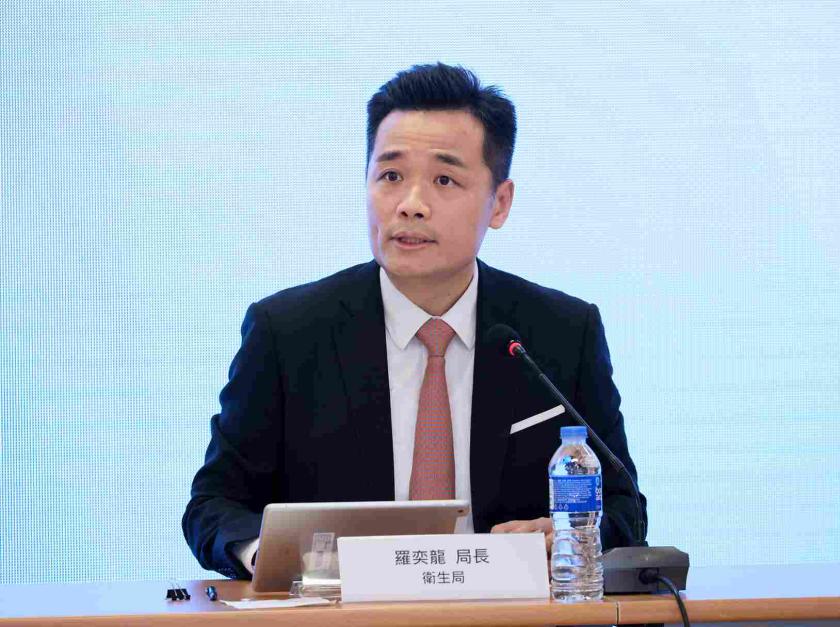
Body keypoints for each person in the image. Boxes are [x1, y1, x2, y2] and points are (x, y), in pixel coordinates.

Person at [183, 63, 647, 579]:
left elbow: (625, 508)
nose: (411, 205)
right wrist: (270, 557)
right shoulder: (288, 333)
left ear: (500, 203)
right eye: (391, 176)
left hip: (509, 611)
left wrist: (571, 537)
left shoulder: (560, 333)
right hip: (342, 612)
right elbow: (214, 505)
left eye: (444, 179)